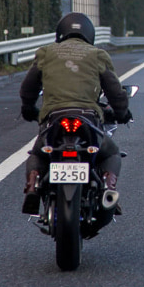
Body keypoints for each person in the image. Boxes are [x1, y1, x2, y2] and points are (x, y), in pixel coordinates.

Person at [19, 12, 132, 217]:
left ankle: (33, 185)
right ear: (90, 35)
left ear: (60, 33)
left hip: (54, 118)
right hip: (87, 118)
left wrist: (28, 108)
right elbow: (115, 92)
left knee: (38, 153)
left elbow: (28, 87)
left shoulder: (46, 53)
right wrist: (122, 113)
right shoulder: (97, 55)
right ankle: (108, 189)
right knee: (112, 152)